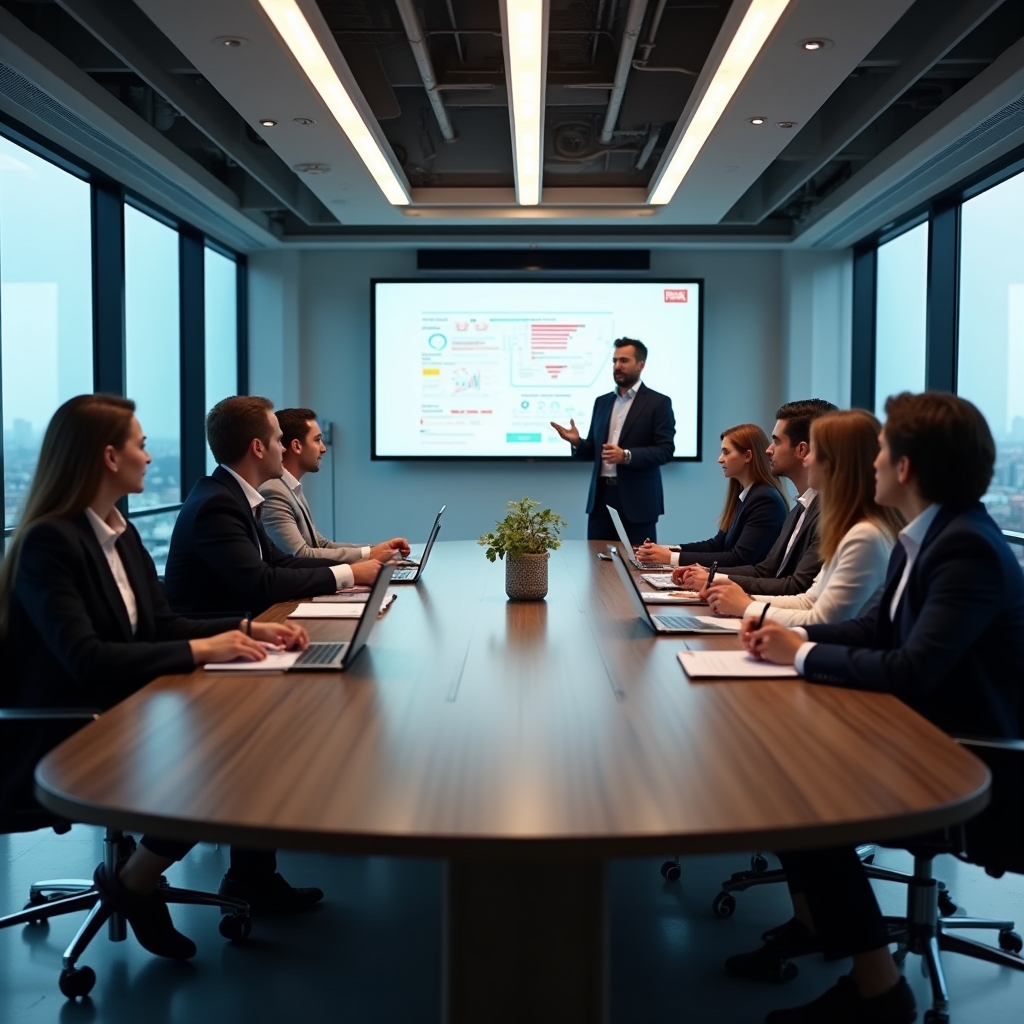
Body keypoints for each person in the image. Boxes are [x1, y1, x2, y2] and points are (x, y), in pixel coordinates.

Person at [730, 392, 1024, 1024]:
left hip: (972, 766)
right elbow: (877, 633)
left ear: (908, 468)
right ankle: (859, 968)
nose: (873, 463)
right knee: (787, 775)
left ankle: (879, 992)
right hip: (925, 735)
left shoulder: (964, 547)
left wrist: (800, 655)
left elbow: (914, 666)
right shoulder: (932, 535)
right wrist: (793, 640)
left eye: (884, 450)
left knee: (804, 799)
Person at [0, 394, 313, 962]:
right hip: (69, 729)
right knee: (227, 754)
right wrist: (203, 647)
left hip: (127, 704)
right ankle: (133, 882)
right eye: (141, 445)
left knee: (248, 735)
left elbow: (160, 623)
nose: (150, 457)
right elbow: (87, 660)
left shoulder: (120, 532)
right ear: (108, 458)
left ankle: (139, 876)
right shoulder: (51, 543)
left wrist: (247, 630)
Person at [165, 395, 381, 616]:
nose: (284, 449)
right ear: (258, 448)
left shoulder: (232, 495)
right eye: (279, 440)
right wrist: (350, 573)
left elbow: (281, 561)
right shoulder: (216, 507)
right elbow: (262, 583)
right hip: (220, 640)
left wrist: (353, 569)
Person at [703, 410, 903, 626]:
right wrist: (743, 601)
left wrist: (746, 606)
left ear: (836, 462)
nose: (805, 460)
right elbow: (809, 601)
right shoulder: (846, 525)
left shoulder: (865, 535)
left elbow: (820, 619)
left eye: (813, 451)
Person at [676, 399, 835, 595]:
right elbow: (765, 570)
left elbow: (796, 588)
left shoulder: (826, 514)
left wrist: (713, 581)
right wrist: (708, 575)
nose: (768, 449)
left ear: (801, 450)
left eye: (776, 441)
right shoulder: (798, 510)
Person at [550, 338, 675, 544]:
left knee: (639, 565)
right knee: (597, 564)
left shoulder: (658, 403)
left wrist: (626, 455)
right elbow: (593, 451)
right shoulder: (602, 402)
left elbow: (665, 450)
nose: (617, 366)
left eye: (624, 360)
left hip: (638, 502)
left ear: (640, 365)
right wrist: (578, 443)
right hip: (601, 499)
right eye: (615, 361)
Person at [259, 407, 409, 563]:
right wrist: (371, 556)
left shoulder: (290, 487)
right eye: (317, 440)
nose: (323, 448)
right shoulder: (273, 492)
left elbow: (321, 545)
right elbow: (300, 555)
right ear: (297, 446)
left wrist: (376, 550)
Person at [637, 423, 788, 567]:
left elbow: (738, 559)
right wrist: (669, 550)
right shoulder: (747, 495)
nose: (719, 459)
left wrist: (670, 558)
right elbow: (717, 545)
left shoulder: (765, 500)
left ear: (747, 456)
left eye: (726, 452)